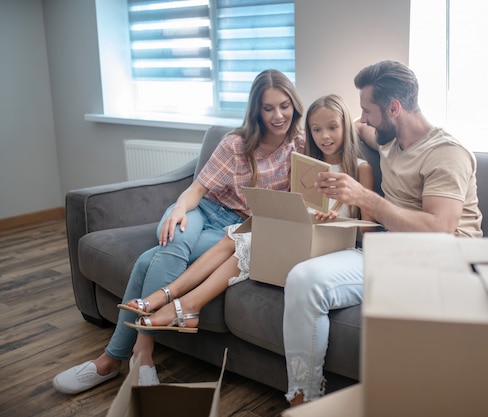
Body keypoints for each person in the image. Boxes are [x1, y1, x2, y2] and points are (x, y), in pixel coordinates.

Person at [52, 69, 305, 394]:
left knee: (147, 262)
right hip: (202, 211)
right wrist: (180, 209)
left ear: (294, 105)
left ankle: (118, 358)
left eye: (284, 105)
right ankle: (139, 357)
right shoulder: (236, 144)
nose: (277, 115)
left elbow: (340, 130)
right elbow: (197, 189)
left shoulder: (300, 146)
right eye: (268, 107)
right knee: (174, 240)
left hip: (235, 229)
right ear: (256, 109)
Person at [283, 60, 483, 407]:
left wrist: (364, 199)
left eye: (368, 110)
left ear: (394, 108)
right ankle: (304, 398)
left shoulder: (446, 154)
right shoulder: (389, 138)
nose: (364, 119)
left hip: (442, 261)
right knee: (302, 278)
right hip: (388, 251)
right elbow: (353, 128)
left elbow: (440, 229)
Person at [120, 93, 375, 338]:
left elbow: (366, 233)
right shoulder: (305, 161)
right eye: (316, 130)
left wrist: (344, 211)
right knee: (238, 237)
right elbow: (299, 209)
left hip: (328, 246)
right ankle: (172, 297)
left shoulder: (361, 169)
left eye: (332, 127)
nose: (325, 136)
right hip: (299, 235)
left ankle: (179, 302)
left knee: (251, 240)